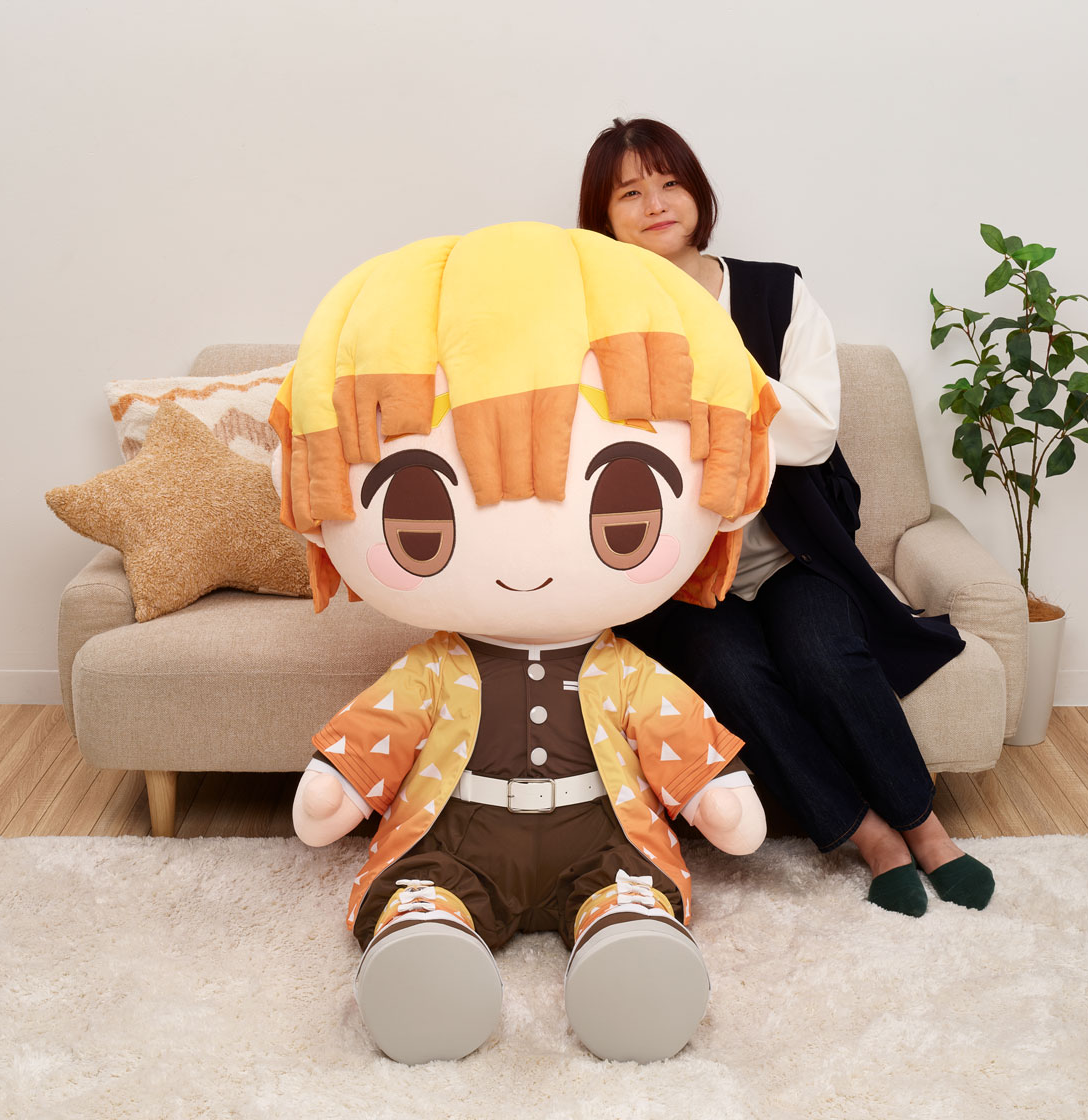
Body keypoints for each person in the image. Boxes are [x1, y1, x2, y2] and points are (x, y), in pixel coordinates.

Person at [274, 222, 778, 1063]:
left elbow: (675, 733)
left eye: (622, 509)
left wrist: (714, 792)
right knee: (424, 893)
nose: (523, 560)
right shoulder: (436, 669)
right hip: (453, 841)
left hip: (605, 841)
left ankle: (629, 955)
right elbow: (383, 728)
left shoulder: (622, 672)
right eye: (421, 517)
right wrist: (342, 781)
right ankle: (428, 959)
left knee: (630, 892)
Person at [578, 118, 995, 916]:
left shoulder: (777, 292)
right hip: (685, 576)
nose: (654, 204)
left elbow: (809, 435)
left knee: (823, 654)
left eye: (669, 183)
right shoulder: (599, 321)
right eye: (629, 193)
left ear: (698, 194)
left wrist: (702, 366)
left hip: (797, 555)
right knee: (732, 674)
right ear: (604, 219)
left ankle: (927, 828)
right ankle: (870, 836)